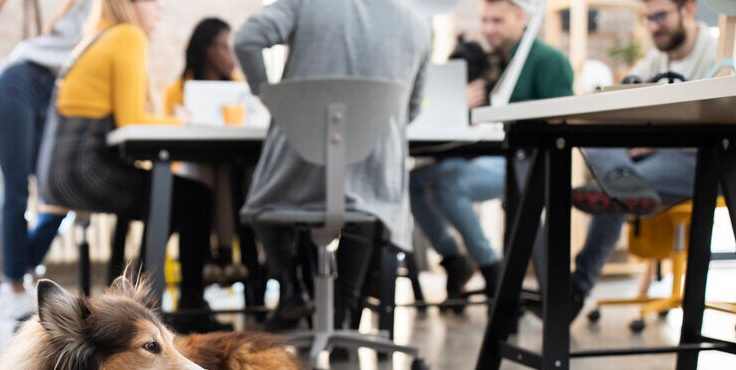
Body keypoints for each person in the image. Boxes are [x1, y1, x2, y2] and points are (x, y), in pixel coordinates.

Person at [234, 0, 430, 331]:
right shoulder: (417, 22)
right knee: (363, 204)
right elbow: (410, 108)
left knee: (261, 190)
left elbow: (246, 39)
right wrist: (366, 133)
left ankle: (291, 290)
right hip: (375, 172)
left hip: (302, 165)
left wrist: (268, 96)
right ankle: (344, 316)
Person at [559, 0, 736, 319]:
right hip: (647, 162)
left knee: (611, 186)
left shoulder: (725, 56)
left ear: (688, 10)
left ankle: (577, 285)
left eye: (660, 16)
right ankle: (622, 186)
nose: (653, 26)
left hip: (703, 164)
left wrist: (660, 141)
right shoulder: (655, 59)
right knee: (592, 140)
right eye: (648, 18)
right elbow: (619, 99)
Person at [46, 0, 228, 333]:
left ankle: (137, 302)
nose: (160, 8)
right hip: (84, 167)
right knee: (192, 198)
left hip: (63, 166)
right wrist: (181, 122)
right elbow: (134, 119)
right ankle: (177, 305)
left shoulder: (97, 37)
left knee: (168, 197)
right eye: (153, 2)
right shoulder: (126, 35)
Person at [409, 0, 573, 304]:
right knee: (414, 183)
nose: (489, 29)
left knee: (447, 185)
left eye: (497, 21)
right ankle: (453, 260)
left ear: (521, 17)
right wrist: (462, 105)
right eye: (485, 21)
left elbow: (562, 120)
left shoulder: (547, 61)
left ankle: (490, 266)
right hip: (488, 155)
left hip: (530, 161)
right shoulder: (487, 61)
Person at [0, 0, 94, 300]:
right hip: (12, 89)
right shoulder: (89, 12)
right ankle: (14, 280)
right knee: (17, 185)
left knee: (56, 186)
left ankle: (26, 263)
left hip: (40, 100)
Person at [162, 18, 246, 286]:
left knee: (224, 171)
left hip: (232, 169)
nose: (231, 56)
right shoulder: (177, 90)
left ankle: (218, 258)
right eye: (224, 47)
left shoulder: (239, 90)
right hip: (190, 169)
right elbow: (171, 137)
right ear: (206, 49)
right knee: (203, 174)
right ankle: (222, 255)